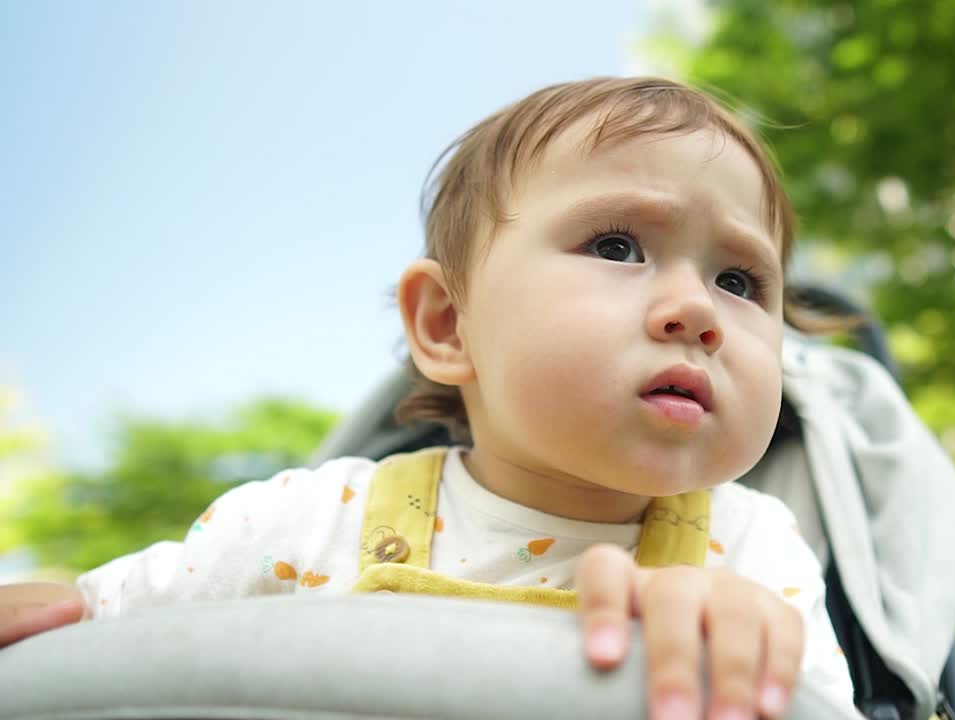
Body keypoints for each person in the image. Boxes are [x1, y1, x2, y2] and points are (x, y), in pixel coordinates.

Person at [0, 77, 856, 720]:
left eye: (740, 280)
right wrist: (57, 610)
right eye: (617, 246)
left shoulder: (752, 554)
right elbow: (105, 644)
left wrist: (747, 664)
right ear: (447, 323)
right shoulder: (305, 525)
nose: (697, 311)